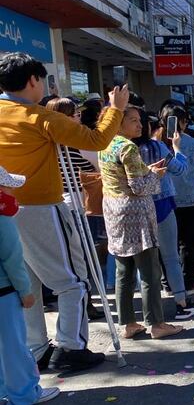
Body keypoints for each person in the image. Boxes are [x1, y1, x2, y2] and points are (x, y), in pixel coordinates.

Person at [0, 52, 127, 373]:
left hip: (5, 212)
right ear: (32, 80)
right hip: (41, 208)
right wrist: (116, 109)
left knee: (24, 285)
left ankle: (37, 348)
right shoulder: (38, 117)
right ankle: (70, 346)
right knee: (72, 282)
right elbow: (96, 139)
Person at [99, 106, 182, 339]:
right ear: (118, 122)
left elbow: (121, 175)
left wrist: (147, 170)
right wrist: (156, 175)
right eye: (133, 120)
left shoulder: (105, 144)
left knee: (124, 270)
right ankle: (156, 323)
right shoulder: (127, 146)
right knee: (149, 269)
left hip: (113, 210)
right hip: (135, 212)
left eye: (139, 119)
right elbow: (139, 187)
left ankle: (128, 323)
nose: (139, 124)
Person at [0, 166, 61, 405]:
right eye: (7, 186)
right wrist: (25, 291)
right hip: (4, 292)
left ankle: (4, 392)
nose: (12, 191)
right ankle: (25, 394)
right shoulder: (3, 219)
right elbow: (13, 259)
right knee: (14, 346)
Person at [134, 111, 194, 320]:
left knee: (142, 260)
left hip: (134, 207)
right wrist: (178, 149)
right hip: (161, 205)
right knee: (170, 256)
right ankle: (181, 302)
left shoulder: (121, 148)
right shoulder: (156, 147)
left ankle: (149, 310)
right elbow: (180, 169)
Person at [44, 98, 105, 320]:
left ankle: (83, 300)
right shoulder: (79, 141)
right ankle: (85, 302)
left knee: (70, 257)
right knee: (84, 256)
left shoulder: (47, 142)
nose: (77, 118)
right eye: (73, 114)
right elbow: (99, 165)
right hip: (80, 203)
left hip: (56, 203)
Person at [159, 104, 194, 294]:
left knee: (167, 245)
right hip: (191, 199)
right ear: (183, 122)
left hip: (164, 200)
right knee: (189, 244)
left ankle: (168, 284)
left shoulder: (156, 142)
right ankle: (188, 282)